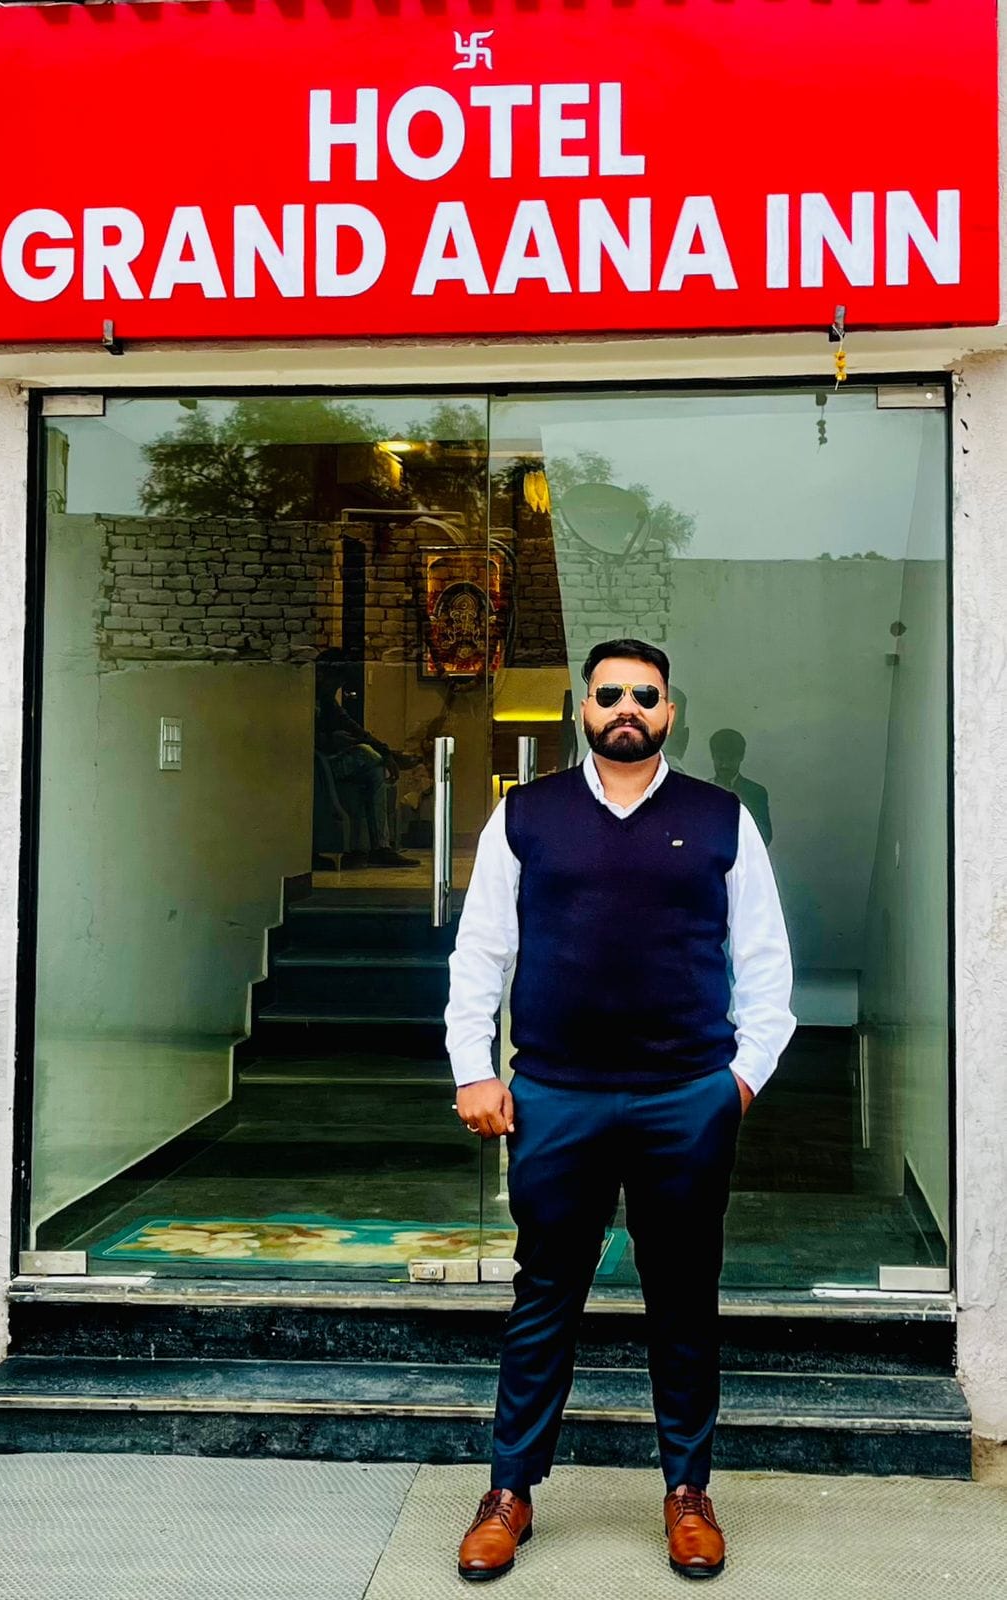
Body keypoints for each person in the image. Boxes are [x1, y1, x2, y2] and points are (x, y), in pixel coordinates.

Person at [446, 638, 795, 1583]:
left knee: (682, 1298)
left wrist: (738, 1081)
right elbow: (480, 951)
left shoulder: (719, 818)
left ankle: (687, 1492)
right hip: (555, 1095)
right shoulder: (527, 815)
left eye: (645, 695)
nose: (626, 708)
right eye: (609, 695)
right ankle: (509, 1492)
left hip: (685, 1096)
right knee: (543, 1295)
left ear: (669, 711)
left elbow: (765, 962)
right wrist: (474, 1070)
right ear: (583, 709)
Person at [314, 649, 419, 869]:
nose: (336, 689)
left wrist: (385, 752)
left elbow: (356, 730)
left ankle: (380, 847)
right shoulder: (303, 697)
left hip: (326, 762)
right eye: (335, 683)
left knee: (374, 768)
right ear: (321, 674)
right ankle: (379, 848)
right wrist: (331, 740)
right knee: (366, 754)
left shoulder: (327, 702)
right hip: (315, 764)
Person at [709, 728, 773, 847]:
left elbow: (765, 835)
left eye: (731, 759)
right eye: (720, 758)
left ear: (741, 757)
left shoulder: (755, 793)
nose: (725, 765)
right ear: (713, 756)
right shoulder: (702, 790)